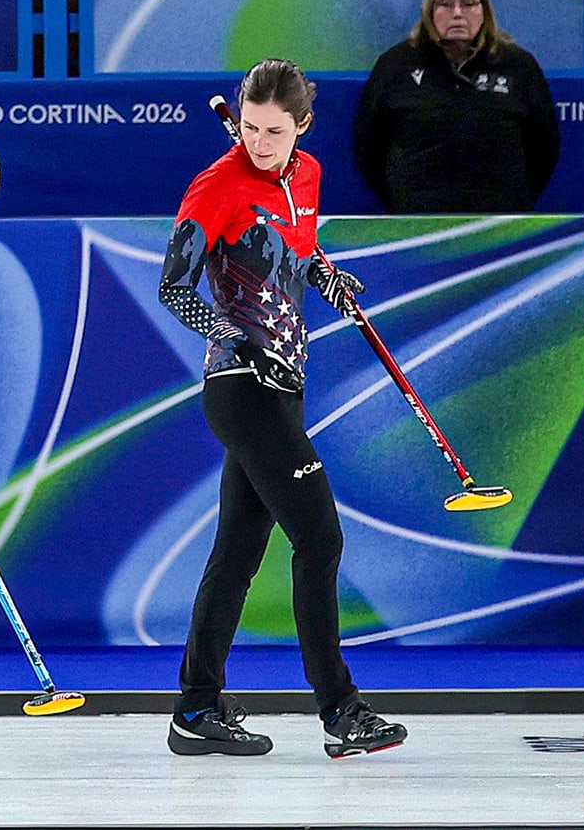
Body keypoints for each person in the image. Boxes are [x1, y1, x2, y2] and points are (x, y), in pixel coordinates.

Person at [158, 62, 409, 763]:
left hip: (287, 382)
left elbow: (289, 253)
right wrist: (231, 334)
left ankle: (196, 708)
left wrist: (325, 275)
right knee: (320, 538)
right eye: (248, 127)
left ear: (303, 125)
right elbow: (173, 288)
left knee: (237, 552)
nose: (258, 143)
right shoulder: (217, 185)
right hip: (242, 385)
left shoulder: (308, 176)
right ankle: (340, 709)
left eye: (273, 131)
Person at [352, 0, 560, 214]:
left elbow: (544, 148)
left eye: (469, 3)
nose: (458, 13)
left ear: (484, 10)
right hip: (416, 219)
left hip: (499, 218)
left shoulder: (519, 66)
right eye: (446, 4)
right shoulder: (395, 65)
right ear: (430, 11)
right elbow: (368, 146)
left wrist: (509, 199)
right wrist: (405, 198)